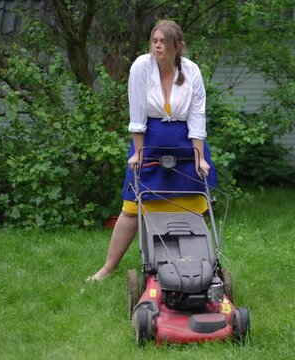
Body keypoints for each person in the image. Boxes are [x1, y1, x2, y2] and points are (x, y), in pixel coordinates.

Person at [88, 19, 217, 281]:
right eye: (154, 41)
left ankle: (195, 267)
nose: (157, 46)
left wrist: (200, 158)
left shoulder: (192, 71)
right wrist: (138, 152)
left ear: (177, 45)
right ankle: (107, 268)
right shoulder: (141, 67)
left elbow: (197, 117)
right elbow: (137, 114)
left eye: (163, 42)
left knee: (193, 205)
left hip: (184, 144)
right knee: (132, 208)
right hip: (149, 142)